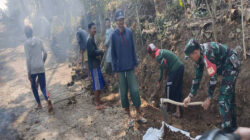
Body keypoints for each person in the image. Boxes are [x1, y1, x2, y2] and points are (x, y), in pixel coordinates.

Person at [183, 39, 241, 133]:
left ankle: (228, 132)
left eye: (190, 56)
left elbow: (213, 79)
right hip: (226, 67)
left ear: (195, 52)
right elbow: (197, 77)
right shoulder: (200, 55)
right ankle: (234, 129)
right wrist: (190, 95)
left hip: (231, 65)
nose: (190, 59)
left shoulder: (207, 54)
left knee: (223, 99)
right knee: (229, 98)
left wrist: (209, 98)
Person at [111, 9, 147, 128]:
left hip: (130, 67)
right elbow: (113, 54)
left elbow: (133, 49)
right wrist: (115, 70)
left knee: (135, 91)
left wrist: (136, 64)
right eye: (119, 20)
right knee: (123, 94)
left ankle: (139, 114)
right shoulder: (113, 35)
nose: (121, 21)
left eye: (122, 19)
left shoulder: (129, 33)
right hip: (120, 70)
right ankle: (129, 117)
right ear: (116, 21)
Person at [147, 43, 184, 118]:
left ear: (151, 53)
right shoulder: (160, 52)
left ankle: (167, 107)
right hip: (180, 67)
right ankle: (178, 112)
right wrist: (159, 81)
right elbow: (162, 68)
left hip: (175, 69)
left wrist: (165, 75)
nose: (151, 56)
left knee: (168, 87)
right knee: (177, 90)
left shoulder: (158, 55)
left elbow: (164, 66)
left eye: (150, 55)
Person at [24, 26, 53, 113]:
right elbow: (45, 53)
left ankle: (39, 104)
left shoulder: (26, 44)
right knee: (43, 86)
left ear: (26, 34)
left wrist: (29, 72)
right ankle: (48, 99)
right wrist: (42, 62)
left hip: (32, 68)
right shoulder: (39, 40)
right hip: (40, 66)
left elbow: (28, 59)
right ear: (32, 32)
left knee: (34, 87)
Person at [87, 22, 105, 110]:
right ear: (89, 30)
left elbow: (94, 50)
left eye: (95, 28)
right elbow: (92, 53)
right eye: (93, 28)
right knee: (97, 84)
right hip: (93, 66)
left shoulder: (91, 39)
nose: (95, 30)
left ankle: (98, 100)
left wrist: (100, 51)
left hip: (95, 65)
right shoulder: (89, 40)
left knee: (98, 82)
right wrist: (101, 51)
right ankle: (97, 103)